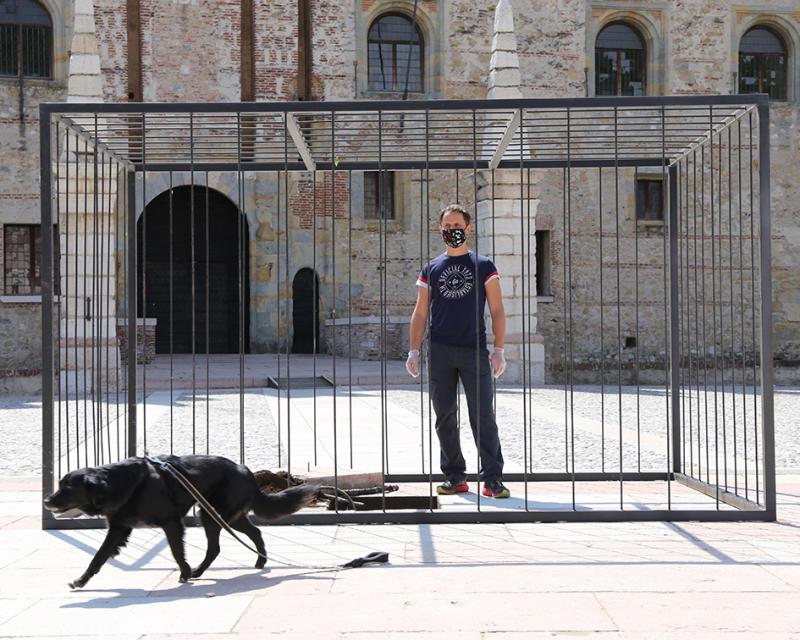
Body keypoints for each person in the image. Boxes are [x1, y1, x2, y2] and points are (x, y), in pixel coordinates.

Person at [406, 204, 509, 498]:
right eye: (447, 225)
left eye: (457, 225)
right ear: (441, 231)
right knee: (444, 416)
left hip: (473, 350)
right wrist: (413, 350)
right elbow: (420, 312)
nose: (452, 230)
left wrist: (499, 349)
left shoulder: (484, 265)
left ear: (468, 229)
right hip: (439, 352)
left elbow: (498, 310)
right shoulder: (431, 268)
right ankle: (455, 476)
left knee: (483, 416)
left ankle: (492, 479)